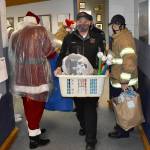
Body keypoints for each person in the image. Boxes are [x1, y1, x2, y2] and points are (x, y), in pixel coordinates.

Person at [55, 12, 105, 150]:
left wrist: (102, 68)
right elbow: (62, 54)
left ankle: (91, 140)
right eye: (79, 21)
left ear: (90, 22)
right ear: (76, 22)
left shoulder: (98, 37)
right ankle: (84, 126)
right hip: (75, 78)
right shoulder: (69, 38)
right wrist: (59, 67)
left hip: (91, 78)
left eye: (85, 21)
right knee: (80, 108)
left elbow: (103, 56)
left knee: (90, 107)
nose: (82, 23)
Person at [9, 11, 54, 149]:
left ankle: (34, 128)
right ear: (36, 21)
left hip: (21, 75)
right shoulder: (40, 30)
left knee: (27, 104)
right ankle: (33, 138)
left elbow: (13, 52)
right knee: (37, 105)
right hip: (37, 75)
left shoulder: (15, 33)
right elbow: (49, 52)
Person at [108, 14, 138, 138]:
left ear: (121, 25)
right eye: (112, 25)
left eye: (114, 25)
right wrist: (110, 56)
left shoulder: (124, 39)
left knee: (122, 107)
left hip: (123, 81)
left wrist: (124, 82)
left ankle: (123, 131)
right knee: (124, 105)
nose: (112, 27)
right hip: (119, 79)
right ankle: (125, 126)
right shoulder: (119, 37)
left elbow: (129, 61)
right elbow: (119, 56)